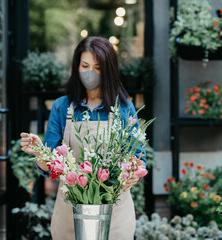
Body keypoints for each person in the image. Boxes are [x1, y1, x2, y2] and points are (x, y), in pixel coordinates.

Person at [20, 36, 145, 240]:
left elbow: (138, 157)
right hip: (70, 211)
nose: (90, 72)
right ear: (76, 67)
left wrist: (133, 172)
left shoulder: (124, 108)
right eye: (85, 65)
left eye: (98, 67)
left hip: (115, 211)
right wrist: (39, 151)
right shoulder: (62, 107)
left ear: (109, 69)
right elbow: (51, 167)